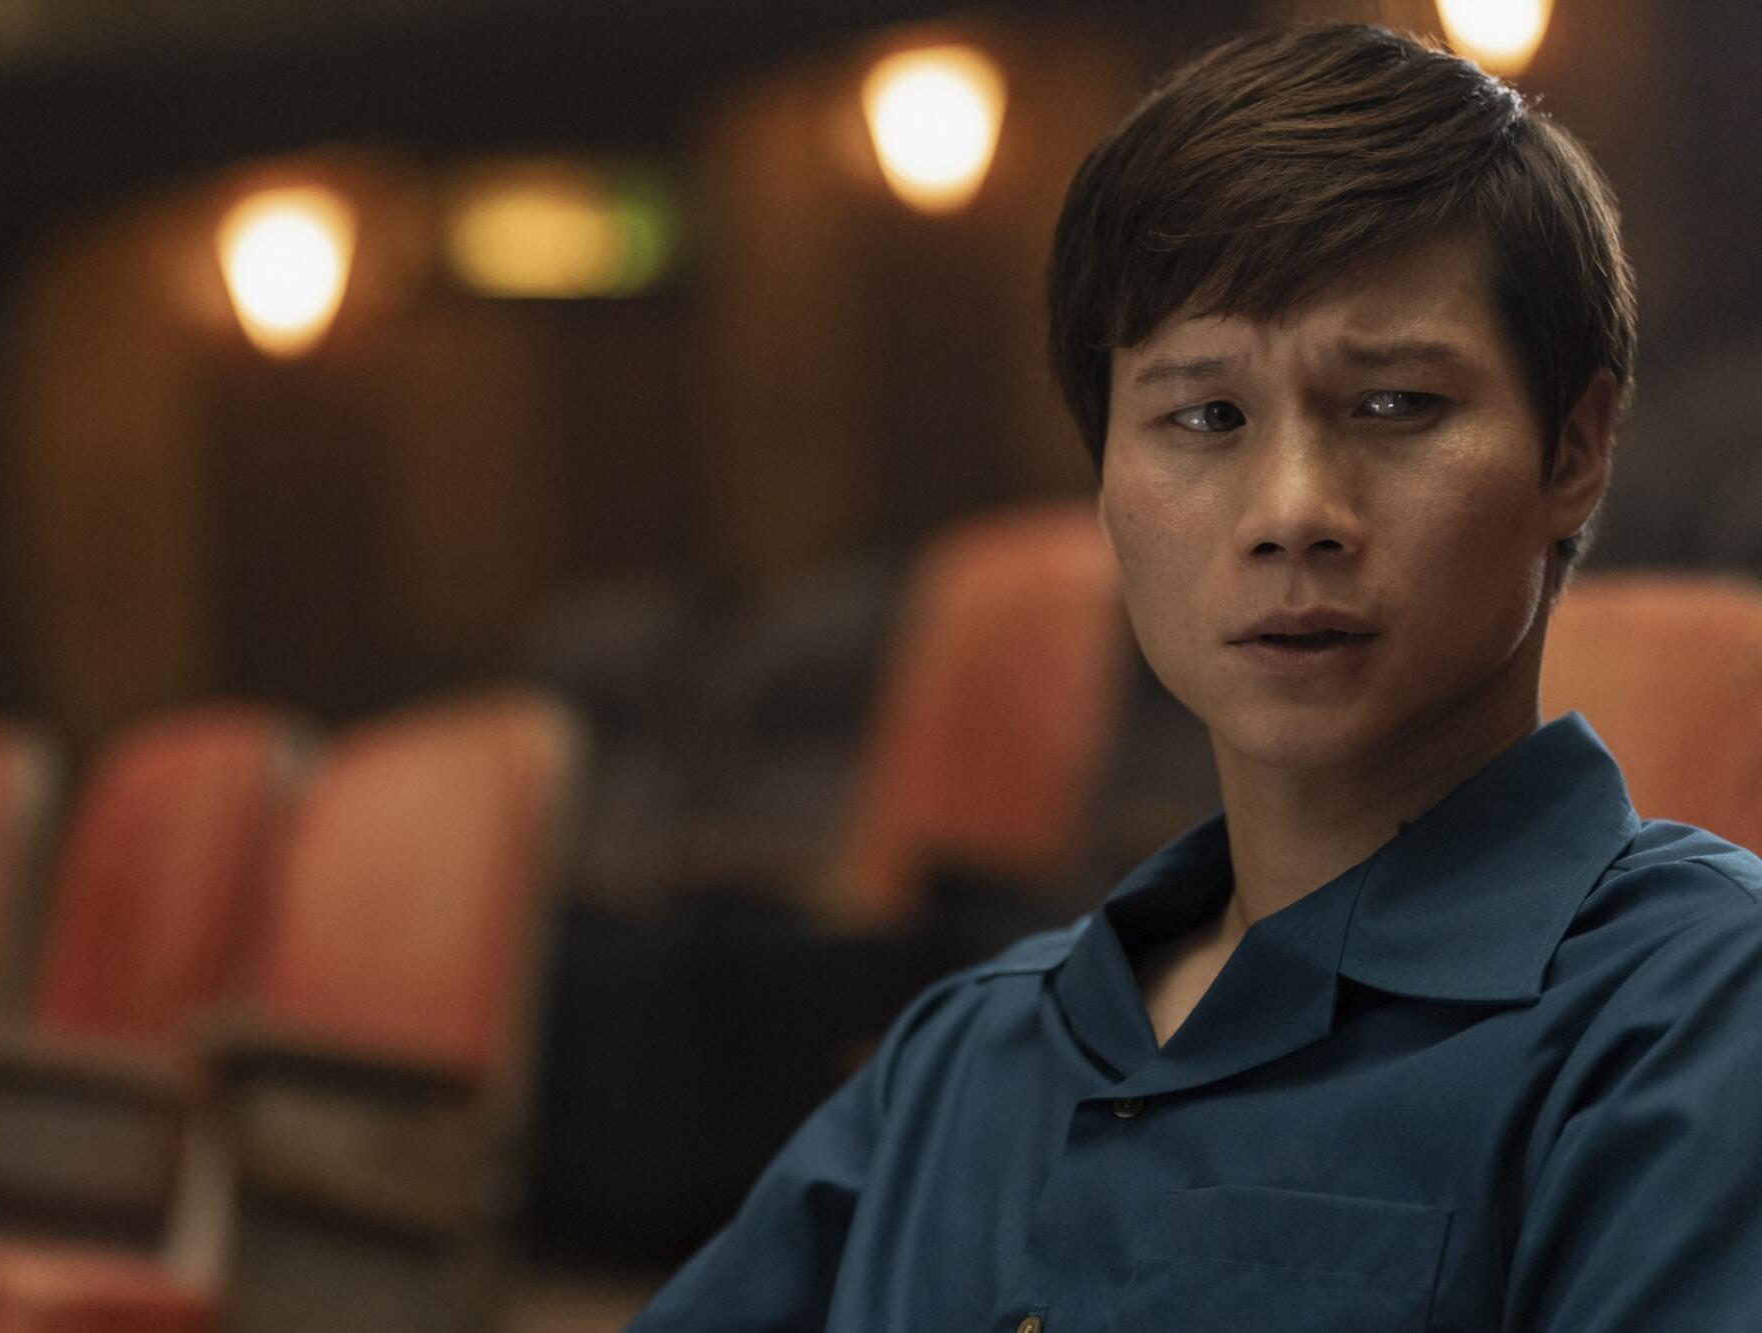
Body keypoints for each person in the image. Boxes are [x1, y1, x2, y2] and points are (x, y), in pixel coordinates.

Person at [627, 22, 1762, 1332]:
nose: (1292, 510)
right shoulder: (968, 1050)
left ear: (1576, 451)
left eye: (1395, 403)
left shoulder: (1695, 1011)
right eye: (1204, 417)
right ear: (1104, 479)